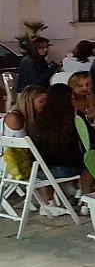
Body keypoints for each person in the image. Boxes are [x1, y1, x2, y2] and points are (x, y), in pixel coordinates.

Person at [2, 86, 72, 217]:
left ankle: (49, 202)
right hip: (10, 166)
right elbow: (23, 149)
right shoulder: (15, 118)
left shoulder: (32, 118)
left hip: (16, 164)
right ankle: (51, 200)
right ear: (29, 102)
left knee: (46, 161)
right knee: (47, 164)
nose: (46, 105)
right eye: (42, 101)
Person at [29, 83, 94, 200]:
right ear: (68, 100)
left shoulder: (40, 118)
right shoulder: (74, 116)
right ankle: (86, 199)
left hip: (39, 171)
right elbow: (90, 138)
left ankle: (48, 201)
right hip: (66, 169)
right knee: (90, 163)